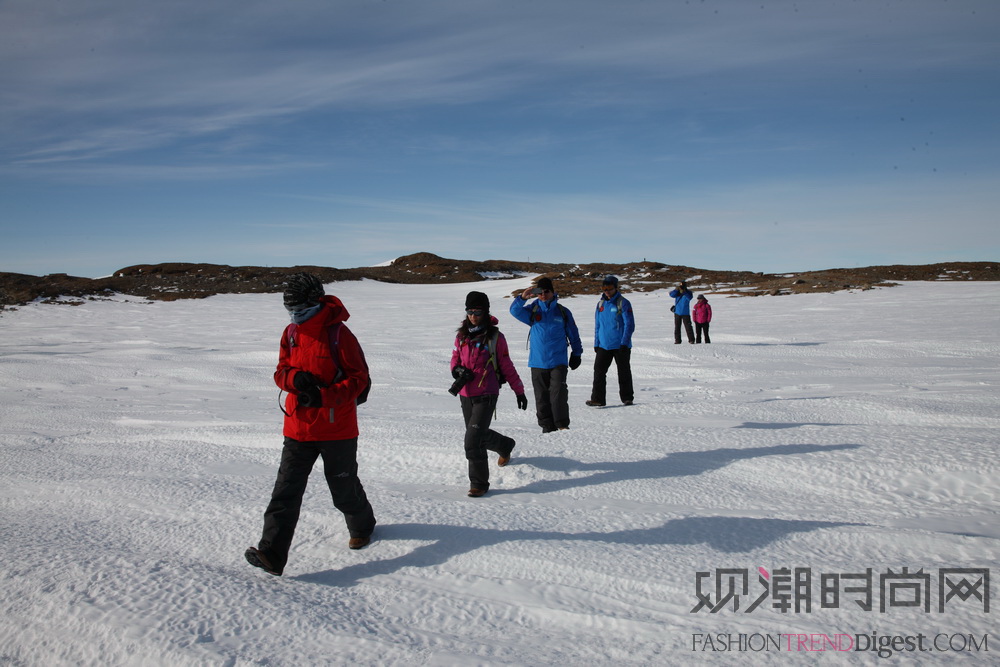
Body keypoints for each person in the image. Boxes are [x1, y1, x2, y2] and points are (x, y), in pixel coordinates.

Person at [245, 273, 377, 576]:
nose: (295, 318)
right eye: (290, 312)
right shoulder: (291, 333)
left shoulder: (340, 335)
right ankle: (272, 555)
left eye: (301, 311)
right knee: (285, 492)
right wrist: (294, 379)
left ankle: (363, 525)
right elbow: (280, 371)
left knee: (343, 488)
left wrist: (323, 396)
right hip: (298, 428)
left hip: (336, 429)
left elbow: (358, 380)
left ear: (317, 302)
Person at [451, 291, 527, 497]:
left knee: (472, 439)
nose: (473, 316)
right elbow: (455, 359)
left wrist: (519, 391)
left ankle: (479, 484)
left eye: (478, 311)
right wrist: (457, 370)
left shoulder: (495, 338)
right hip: (465, 393)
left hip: (487, 393)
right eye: (470, 311)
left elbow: (507, 366)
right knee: (478, 433)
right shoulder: (461, 336)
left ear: (485, 312)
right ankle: (505, 445)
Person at [509, 277, 584, 433]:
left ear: (552, 292)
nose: (543, 295)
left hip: (558, 361)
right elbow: (514, 311)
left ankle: (562, 425)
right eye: (540, 292)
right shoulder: (532, 310)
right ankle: (547, 428)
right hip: (537, 362)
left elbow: (573, 334)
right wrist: (523, 298)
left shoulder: (562, 312)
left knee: (558, 395)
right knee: (541, 398)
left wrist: (577, 353)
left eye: (546, 291)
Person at [587, 275, 635, 407]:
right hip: (604, 345)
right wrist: (596, 343)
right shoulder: (600, 304)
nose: (606, 291)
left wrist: (624, 343)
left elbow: (629, 324)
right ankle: (598, 399)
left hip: (620, 345)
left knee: (623, 372)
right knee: (599, 372)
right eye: (604, 288)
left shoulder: (623, 303)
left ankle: (627, 398)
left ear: (615, 288)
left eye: (609, 288)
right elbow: (598, 325)